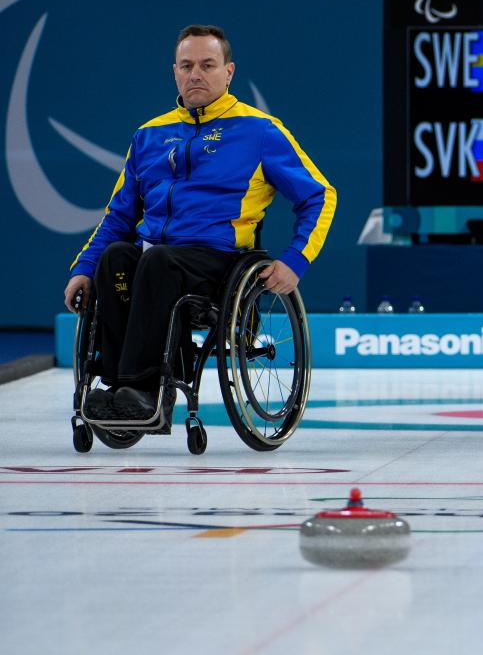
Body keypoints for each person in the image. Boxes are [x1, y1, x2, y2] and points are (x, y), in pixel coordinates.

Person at [63, 24, 337, 421]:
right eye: (187, 65)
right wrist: (84, 269)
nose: (196, 74)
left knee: (158, 261)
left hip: (219, 263)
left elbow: (320, 195)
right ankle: (116, 384)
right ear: (174, 71)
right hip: (158, 260)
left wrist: (296, 259)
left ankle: (145, 388)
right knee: (118, 259)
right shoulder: (148, 135)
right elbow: (118, 215)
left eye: (208, 65)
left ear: (228, 72)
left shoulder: (260, 131)